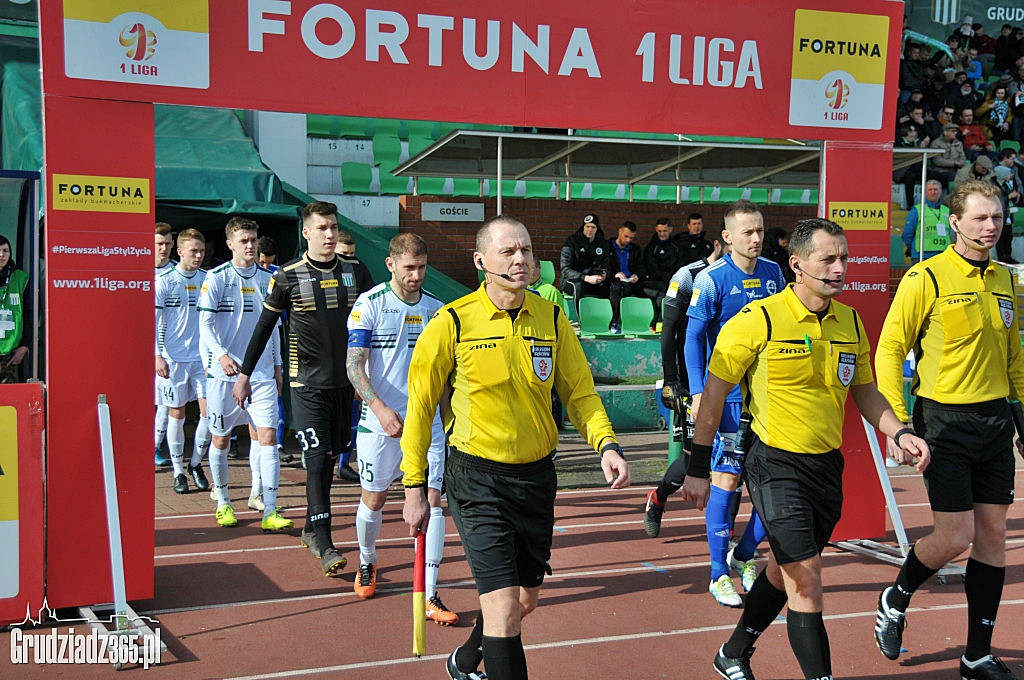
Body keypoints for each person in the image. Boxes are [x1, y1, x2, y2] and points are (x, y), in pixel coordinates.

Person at [680, 217, 929, 680]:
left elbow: (866, 392)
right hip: (775, 465)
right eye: (828, 259)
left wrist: (898, 431)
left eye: (844, 258)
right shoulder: (757, 321)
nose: (839, 268)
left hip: (825, 469)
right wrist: (697, 465)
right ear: (796, 264)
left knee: (783, 570)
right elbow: (712, 399)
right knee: (807, 581)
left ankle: (732, 653)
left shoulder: (850, 320)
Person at [400, 215, 630, 680]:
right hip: (477, 478)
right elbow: (420, 409)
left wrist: (606, 443)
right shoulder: (452, 322)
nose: (520, 259)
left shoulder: (550, 317)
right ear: (481, 261)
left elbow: (579, 391)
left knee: (523, 601)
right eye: (508, 252)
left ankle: (465, 661)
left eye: (525, 250)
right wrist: (414, 485)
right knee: (504, 609)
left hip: (537, 479)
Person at [873, 180, 1023, 680]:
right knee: (954, 535)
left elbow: (1014, 356)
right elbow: (890, 348)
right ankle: (897, 594)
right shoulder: (926, 278)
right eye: (980, 218)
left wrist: (1021, 413)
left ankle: (976, 654)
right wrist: (896, 424)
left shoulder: (1006, 279)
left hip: (995, 420)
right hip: (943, 421)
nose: (991, 226)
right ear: (954, 222)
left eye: (997, 217)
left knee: (994, 535)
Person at [234, 201, 372, 576]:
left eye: (333, 227)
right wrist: (245, 374)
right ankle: (325, 541)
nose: (329, 234)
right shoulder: (287, 276)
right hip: (305, 384)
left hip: (345, 385)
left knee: (330, 457)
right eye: (322, 228)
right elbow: (263, 327)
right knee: (314, 459)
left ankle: (312, 525)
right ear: (306, 233)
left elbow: (374, 324)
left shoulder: (356, 272)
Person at [345, 233, 458, 625]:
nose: (416, 275)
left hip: (428, 425)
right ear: (391, 264)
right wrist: (379, 409)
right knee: (373, 500)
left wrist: (444, 419)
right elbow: (354, 366)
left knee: (433, 502)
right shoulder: (369, 305)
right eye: (409, 267)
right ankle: (367, 561)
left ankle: (430, 593)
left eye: (422, 267)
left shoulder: (437, 311)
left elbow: (445, 376)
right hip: (381, 424)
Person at [685, 201, 786, 607]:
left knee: (771, 485)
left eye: (760, 230)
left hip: (766, 396)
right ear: (727, 237)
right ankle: (717, 574)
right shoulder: (711, 280)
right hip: (725, 397)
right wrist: (697, 392)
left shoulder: (775, 274)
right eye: (747, 232)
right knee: (725, 482)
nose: (756, 238)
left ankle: (744, 554)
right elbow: (692, 338)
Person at [198, 217, 289, 531]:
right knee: (221, 439)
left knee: (268, 437)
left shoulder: (270, 279)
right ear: (230, 244)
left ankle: (269, 509)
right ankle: (223, 502)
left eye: (253, 240)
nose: (250, 246)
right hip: (223, 374)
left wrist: (278, 367)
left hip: (262, 373)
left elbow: (274, 328)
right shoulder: (217, 278)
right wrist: (221, 356)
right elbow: (205, 326)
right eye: (244, 241)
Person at [644, 233, 727, 538]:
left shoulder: (751, 278)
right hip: (694, 384)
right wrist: (671, 381)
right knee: (694, 457)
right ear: (720, 243)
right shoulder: (688, 277)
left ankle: (725, 536)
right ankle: (658, 497)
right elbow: (669, 333)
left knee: (732, 458)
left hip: (730, 384)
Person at [154, 228, 212, 495]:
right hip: (173, 359)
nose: (198, 256)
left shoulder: (208, 279)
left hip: (202, 360)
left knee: (210, 414)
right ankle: (178, 471)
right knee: (175, 414)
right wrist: (157, 355)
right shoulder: (165, 280)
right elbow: (151, 323)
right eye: (193, 251)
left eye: (201, 251)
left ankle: (196, 464)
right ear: (180, 252)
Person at [335, 232, 375, 483]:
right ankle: (323, 457)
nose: (348, 260)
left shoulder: (360, 270)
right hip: (330, 348)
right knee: (333, 409)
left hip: (355, 345)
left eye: (352, 254)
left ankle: (345, 462)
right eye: (342, 255)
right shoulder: (322, 272)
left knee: (355, 407)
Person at [257, 234, 290, 464]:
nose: (266, 266)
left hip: (277, 335)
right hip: (252, 337)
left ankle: (277, 443)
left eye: (270, 261)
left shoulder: (280, 274)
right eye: (263, 262)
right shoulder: (248, 274)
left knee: (277, 388)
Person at [154, 223, 176, 468]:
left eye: (168, 244)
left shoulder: (176, 272)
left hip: (167, 351)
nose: (164, 248)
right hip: (138, 347)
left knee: (165, 403)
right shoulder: (139, 271)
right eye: (159, 243)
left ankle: (154, 446)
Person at [559, 213, 609, 311]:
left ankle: (611, 321)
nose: (590, 230)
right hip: (572, 280)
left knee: (613, 286)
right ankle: (580, 319)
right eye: (587, 226)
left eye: (593, 227)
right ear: (583, 227)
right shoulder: (572, 241)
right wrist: (585, 278)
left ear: (597, 228)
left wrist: (604, 274)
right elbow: (565, 270)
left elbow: (606, 263)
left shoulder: (602, 243)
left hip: (593, 279)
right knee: (578, 285)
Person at [641, 217, 681, 330]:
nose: (662, 234)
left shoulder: (676, 247)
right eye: (659, 231)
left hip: (671, 282)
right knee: (664, 291)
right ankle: (658, 322)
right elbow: (651, 268)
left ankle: (665, 324)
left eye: (664, 231)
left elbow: (679, 266)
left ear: (670, 230)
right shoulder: (651, 248)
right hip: (654, 282)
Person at [607, 220, 646, 334]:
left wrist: (637, 275)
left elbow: (642, 268)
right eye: (626, 236)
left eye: (631, 238)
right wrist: (615, 274)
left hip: (632, 282)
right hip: (615, 281)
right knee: (617, 288)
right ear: (619, 231)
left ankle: (652, 324)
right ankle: (615, 322)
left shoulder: (635, 249)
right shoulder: (608, 246)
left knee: (657, 291)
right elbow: (603, 266)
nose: (628, 240)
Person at [0, 234, 29, 384]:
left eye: (5, 251)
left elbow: (30, 315)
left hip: (11, 354)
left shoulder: (20, 278)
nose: (1, 255)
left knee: (8, 402)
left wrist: (25, 346)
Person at [902, 179, 952, 260]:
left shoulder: (947, 210)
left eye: (935, 189)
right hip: (921, 256)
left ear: (940, 191)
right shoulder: (917, 210)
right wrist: (913, 249)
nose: (933, 192)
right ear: (925, 192)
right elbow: (907, 234)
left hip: (943, 255)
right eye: (930, 190)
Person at [929, 122, 967, 187]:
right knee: (953, 176)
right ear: (945, 133)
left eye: (956, 131)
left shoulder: (959, 143)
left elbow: (963, 157)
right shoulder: (935, 143)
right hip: (939, 171)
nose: (955, 133)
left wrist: (961, 162)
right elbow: (937, 160)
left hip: (955, 170)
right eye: (952, 131)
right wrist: (953, 163)